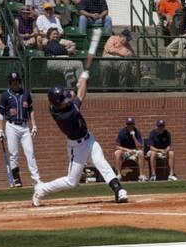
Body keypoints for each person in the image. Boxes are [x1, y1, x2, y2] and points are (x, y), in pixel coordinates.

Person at [32, 72, 129, 207]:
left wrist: (79, 85)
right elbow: (81, 95)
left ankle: (119, 190)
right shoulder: (64, 115)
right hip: (77, 148)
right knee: (72, 181)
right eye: (63, 101)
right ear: (57, 103)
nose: (66, 102)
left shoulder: (57, 105)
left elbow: (75, 95)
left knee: (102, 163)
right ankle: (42, 189)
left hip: (89, 140)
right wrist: (83, 77)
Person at [0, 72, 42, 188]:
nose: (15, 83)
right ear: (10, 82)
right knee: (13, 154)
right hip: (11, 126)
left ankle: (36, 179)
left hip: (25, 126)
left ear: (19, 82)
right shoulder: (5, 95)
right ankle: (16, 179)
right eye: (12, 81)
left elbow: (31, 110)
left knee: (30, 153)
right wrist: (0, 129)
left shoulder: (26, 93)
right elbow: (1, 114)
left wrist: (34, 125)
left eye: (17, 81)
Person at [114, 117, 148, 182]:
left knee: (141, 153)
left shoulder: (137, 132)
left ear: (134, 124)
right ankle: (118, 175)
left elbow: (140, 147)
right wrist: (128, 150)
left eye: (131, 124)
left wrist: (134, 137)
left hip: (134, 151)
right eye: (128, 124)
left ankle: (141, 175)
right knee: (118, 152)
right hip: (125, 152)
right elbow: (117, 146)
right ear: (126, 125)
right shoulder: (122, 132)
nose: (130, 126)